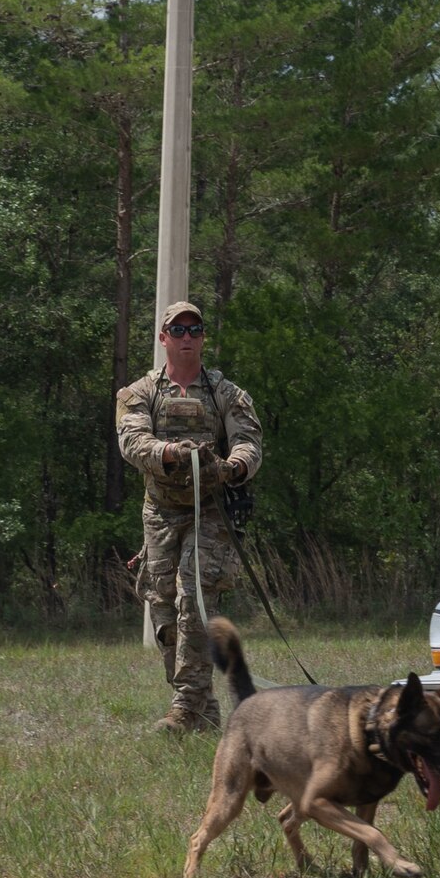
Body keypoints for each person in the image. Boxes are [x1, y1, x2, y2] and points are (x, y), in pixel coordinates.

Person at [116, 300, 264, 732]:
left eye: (194, 330)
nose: (186, 338)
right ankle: (203, 709)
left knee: (192, 601)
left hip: (211, 514)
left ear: (203, 338)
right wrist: (170, 452)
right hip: (161, 513)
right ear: (163, 338)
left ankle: (184, 709)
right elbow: (133, 442)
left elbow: (249, 444)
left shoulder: (227, 394)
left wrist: (230, 466)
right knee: (163, 610)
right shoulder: (139, 393)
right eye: (176, 331)